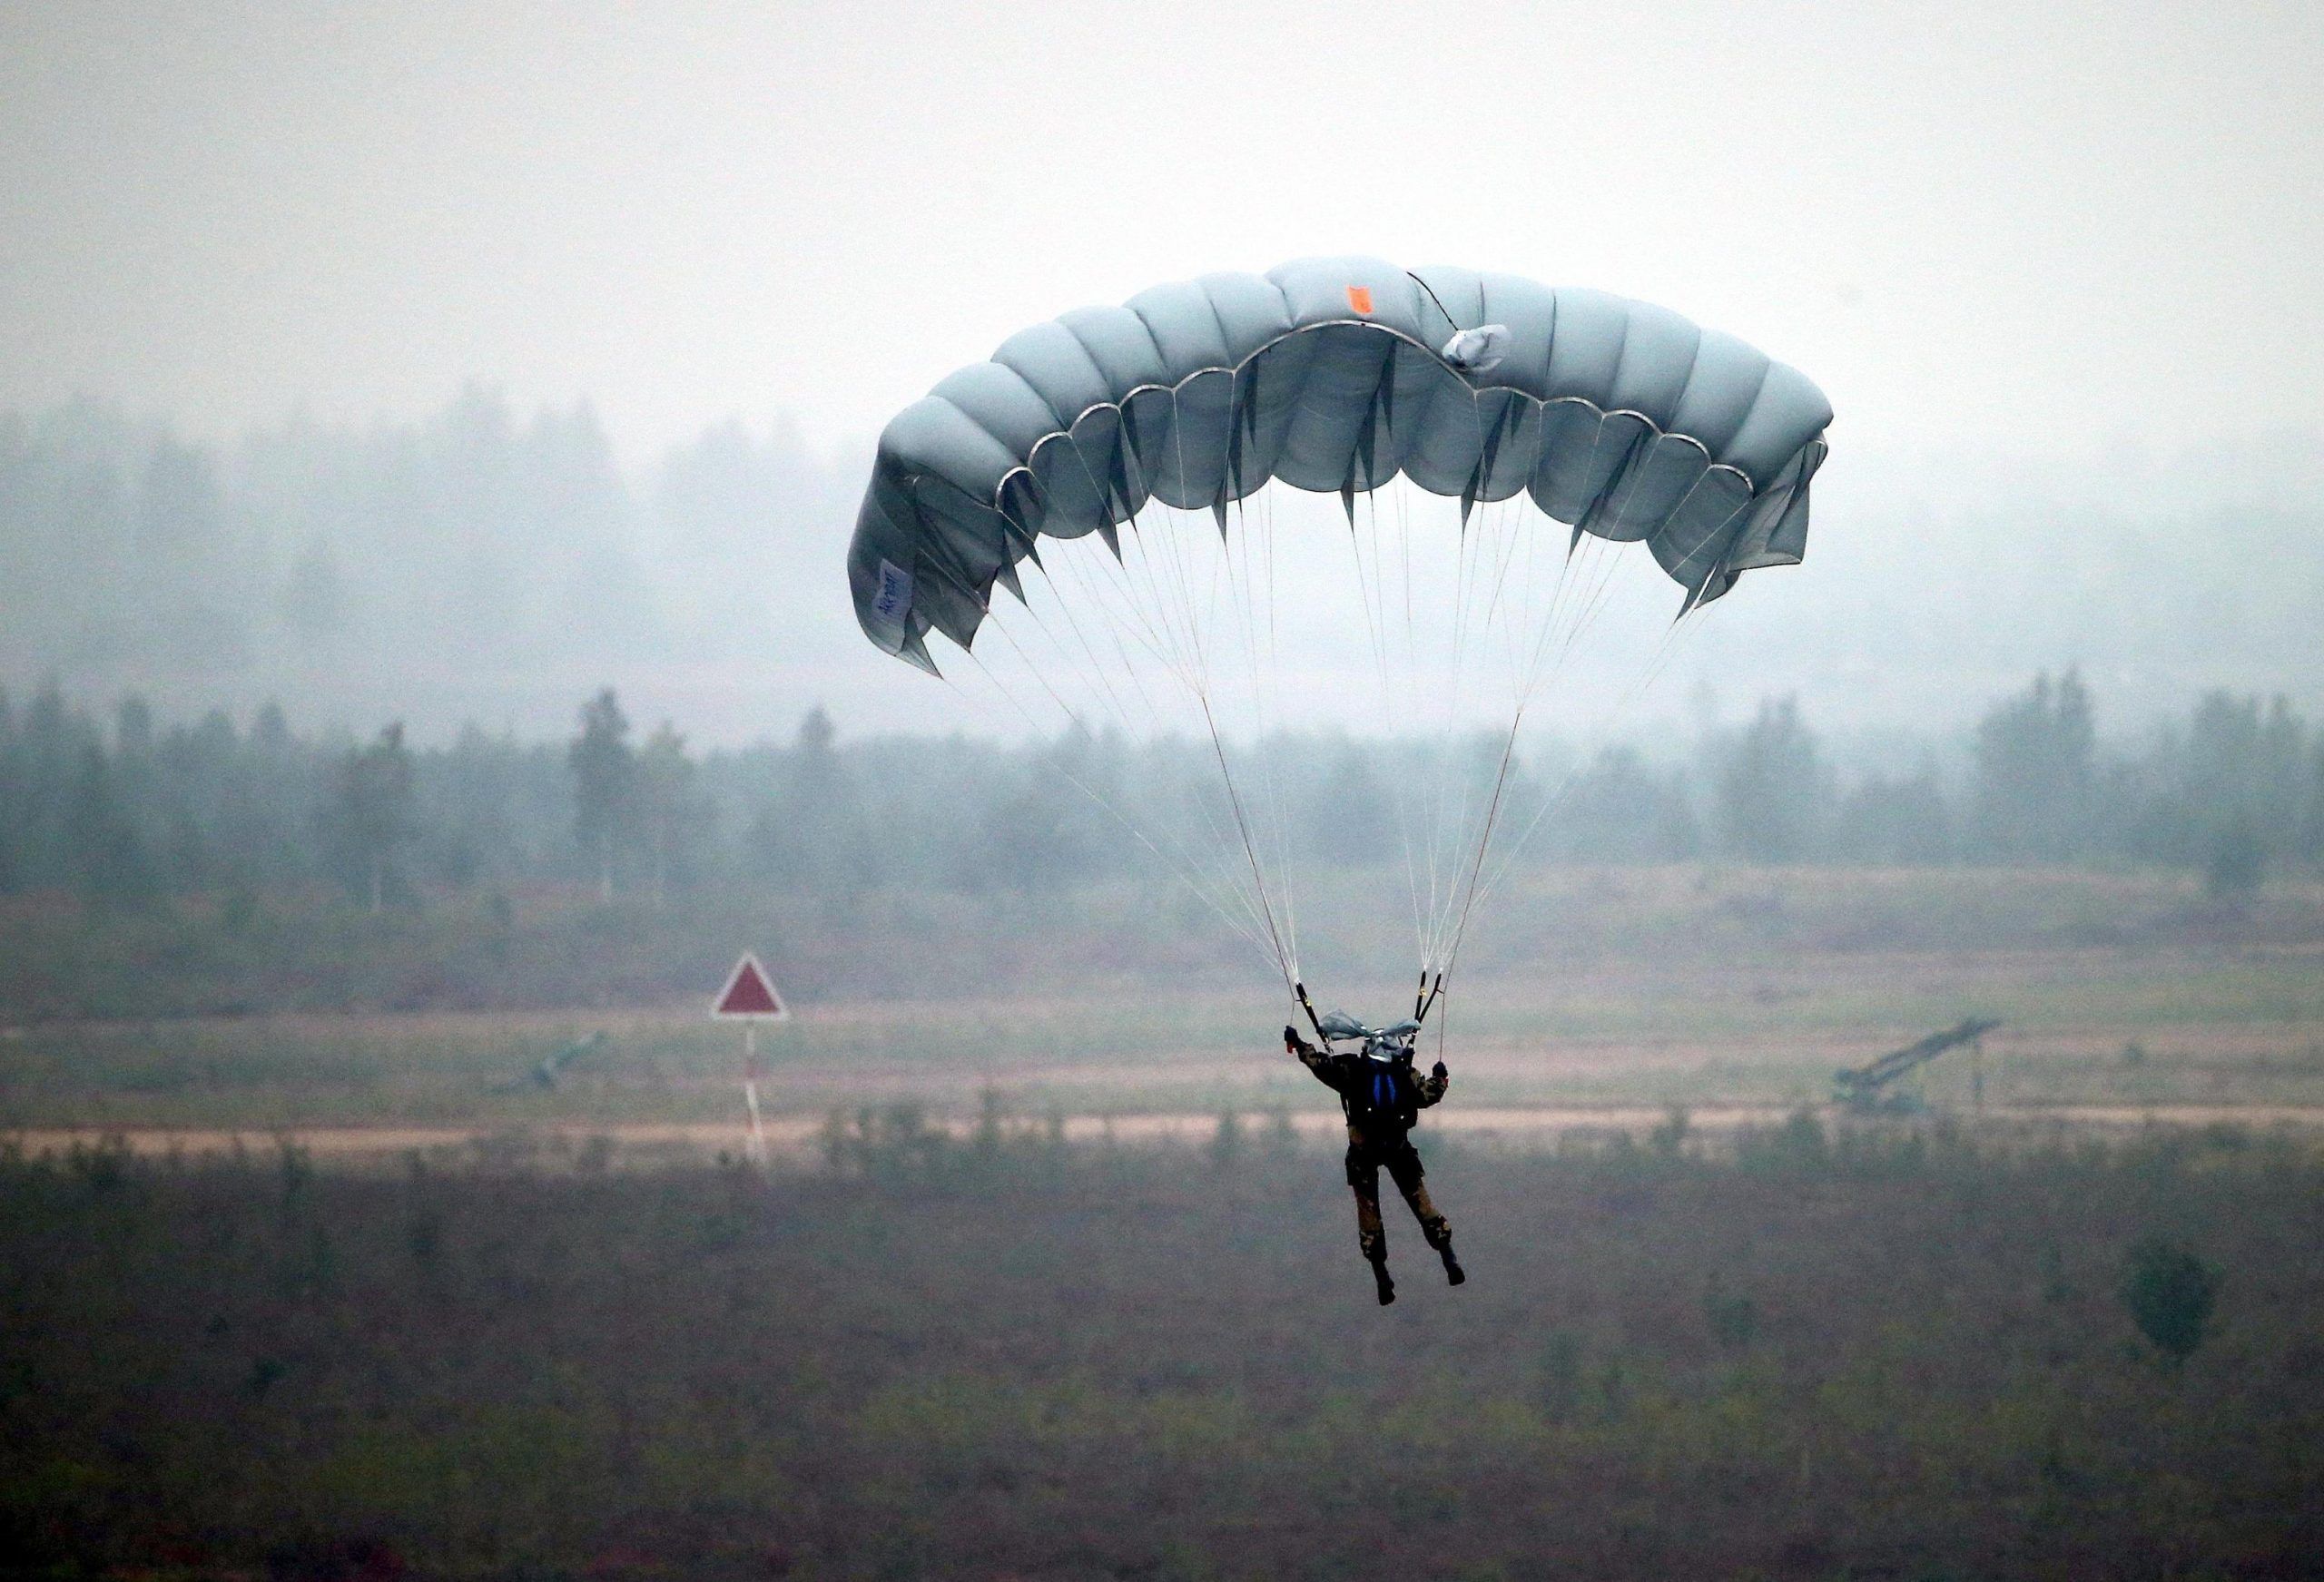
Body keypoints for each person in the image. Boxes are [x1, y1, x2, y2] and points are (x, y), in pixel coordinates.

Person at [1286, 1018, 1465, 1304]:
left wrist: (1298, 1044)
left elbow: (1318, 1064)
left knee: (1368, 1215)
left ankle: (1383, 1279)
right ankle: (1450, 1260)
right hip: (1399, 1150)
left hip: (1363, 1155)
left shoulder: (1351, 1070)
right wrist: (1440, 1076)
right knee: (1422, 1205)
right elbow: (1430, 1094)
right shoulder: (1404, 1073)